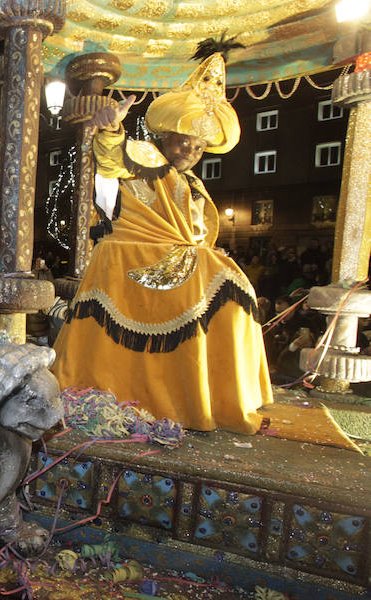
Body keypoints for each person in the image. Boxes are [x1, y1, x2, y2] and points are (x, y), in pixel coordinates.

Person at [52, 52, 273, 434]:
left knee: (237, 296)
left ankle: (211, 398)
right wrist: (109, 130)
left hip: (178, 264)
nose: (190, 151)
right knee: (231, 289)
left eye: (199, 148)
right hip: (136, 261)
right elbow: (112, 160)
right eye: (184, 141)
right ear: (165, 136)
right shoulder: (146, 156)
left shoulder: (194, 185)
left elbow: (200, 232)